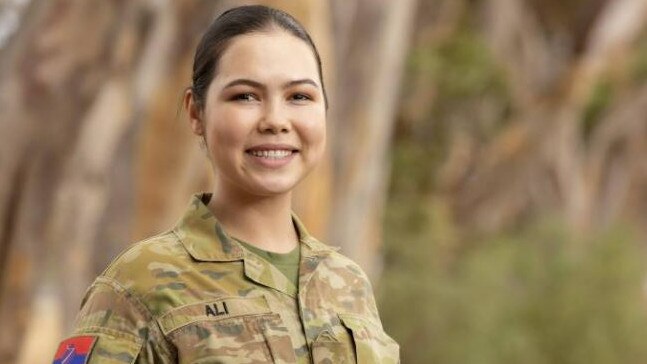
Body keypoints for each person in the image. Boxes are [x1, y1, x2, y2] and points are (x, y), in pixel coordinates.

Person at [52, 5, 399, 364]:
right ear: (196, 113)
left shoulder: (347, 283)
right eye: (245, 96)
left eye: (299, 96)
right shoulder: (137, 284)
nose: (275, 121)